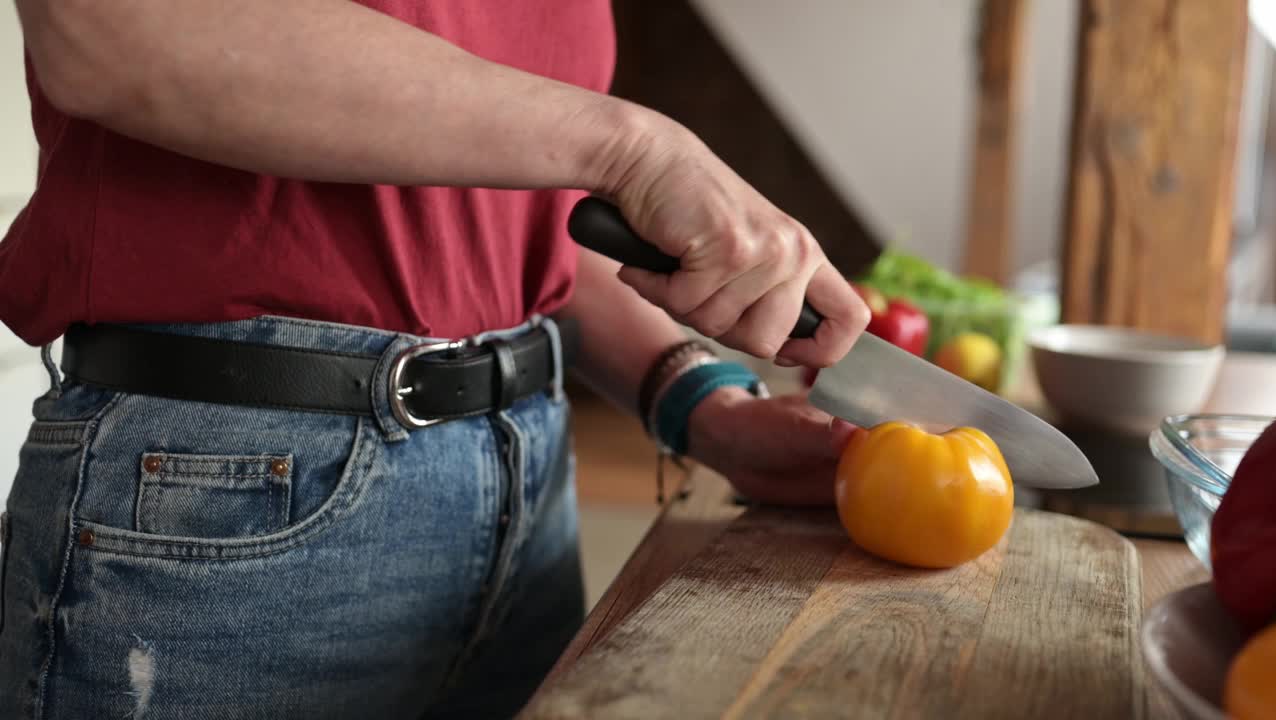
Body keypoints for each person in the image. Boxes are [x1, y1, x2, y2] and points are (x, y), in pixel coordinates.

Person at [0, 1, 869, 718]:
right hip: (235, 497)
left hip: (523, 486)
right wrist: (633, 147)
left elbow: (523, 235)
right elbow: (107, 29)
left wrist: (701, 401)